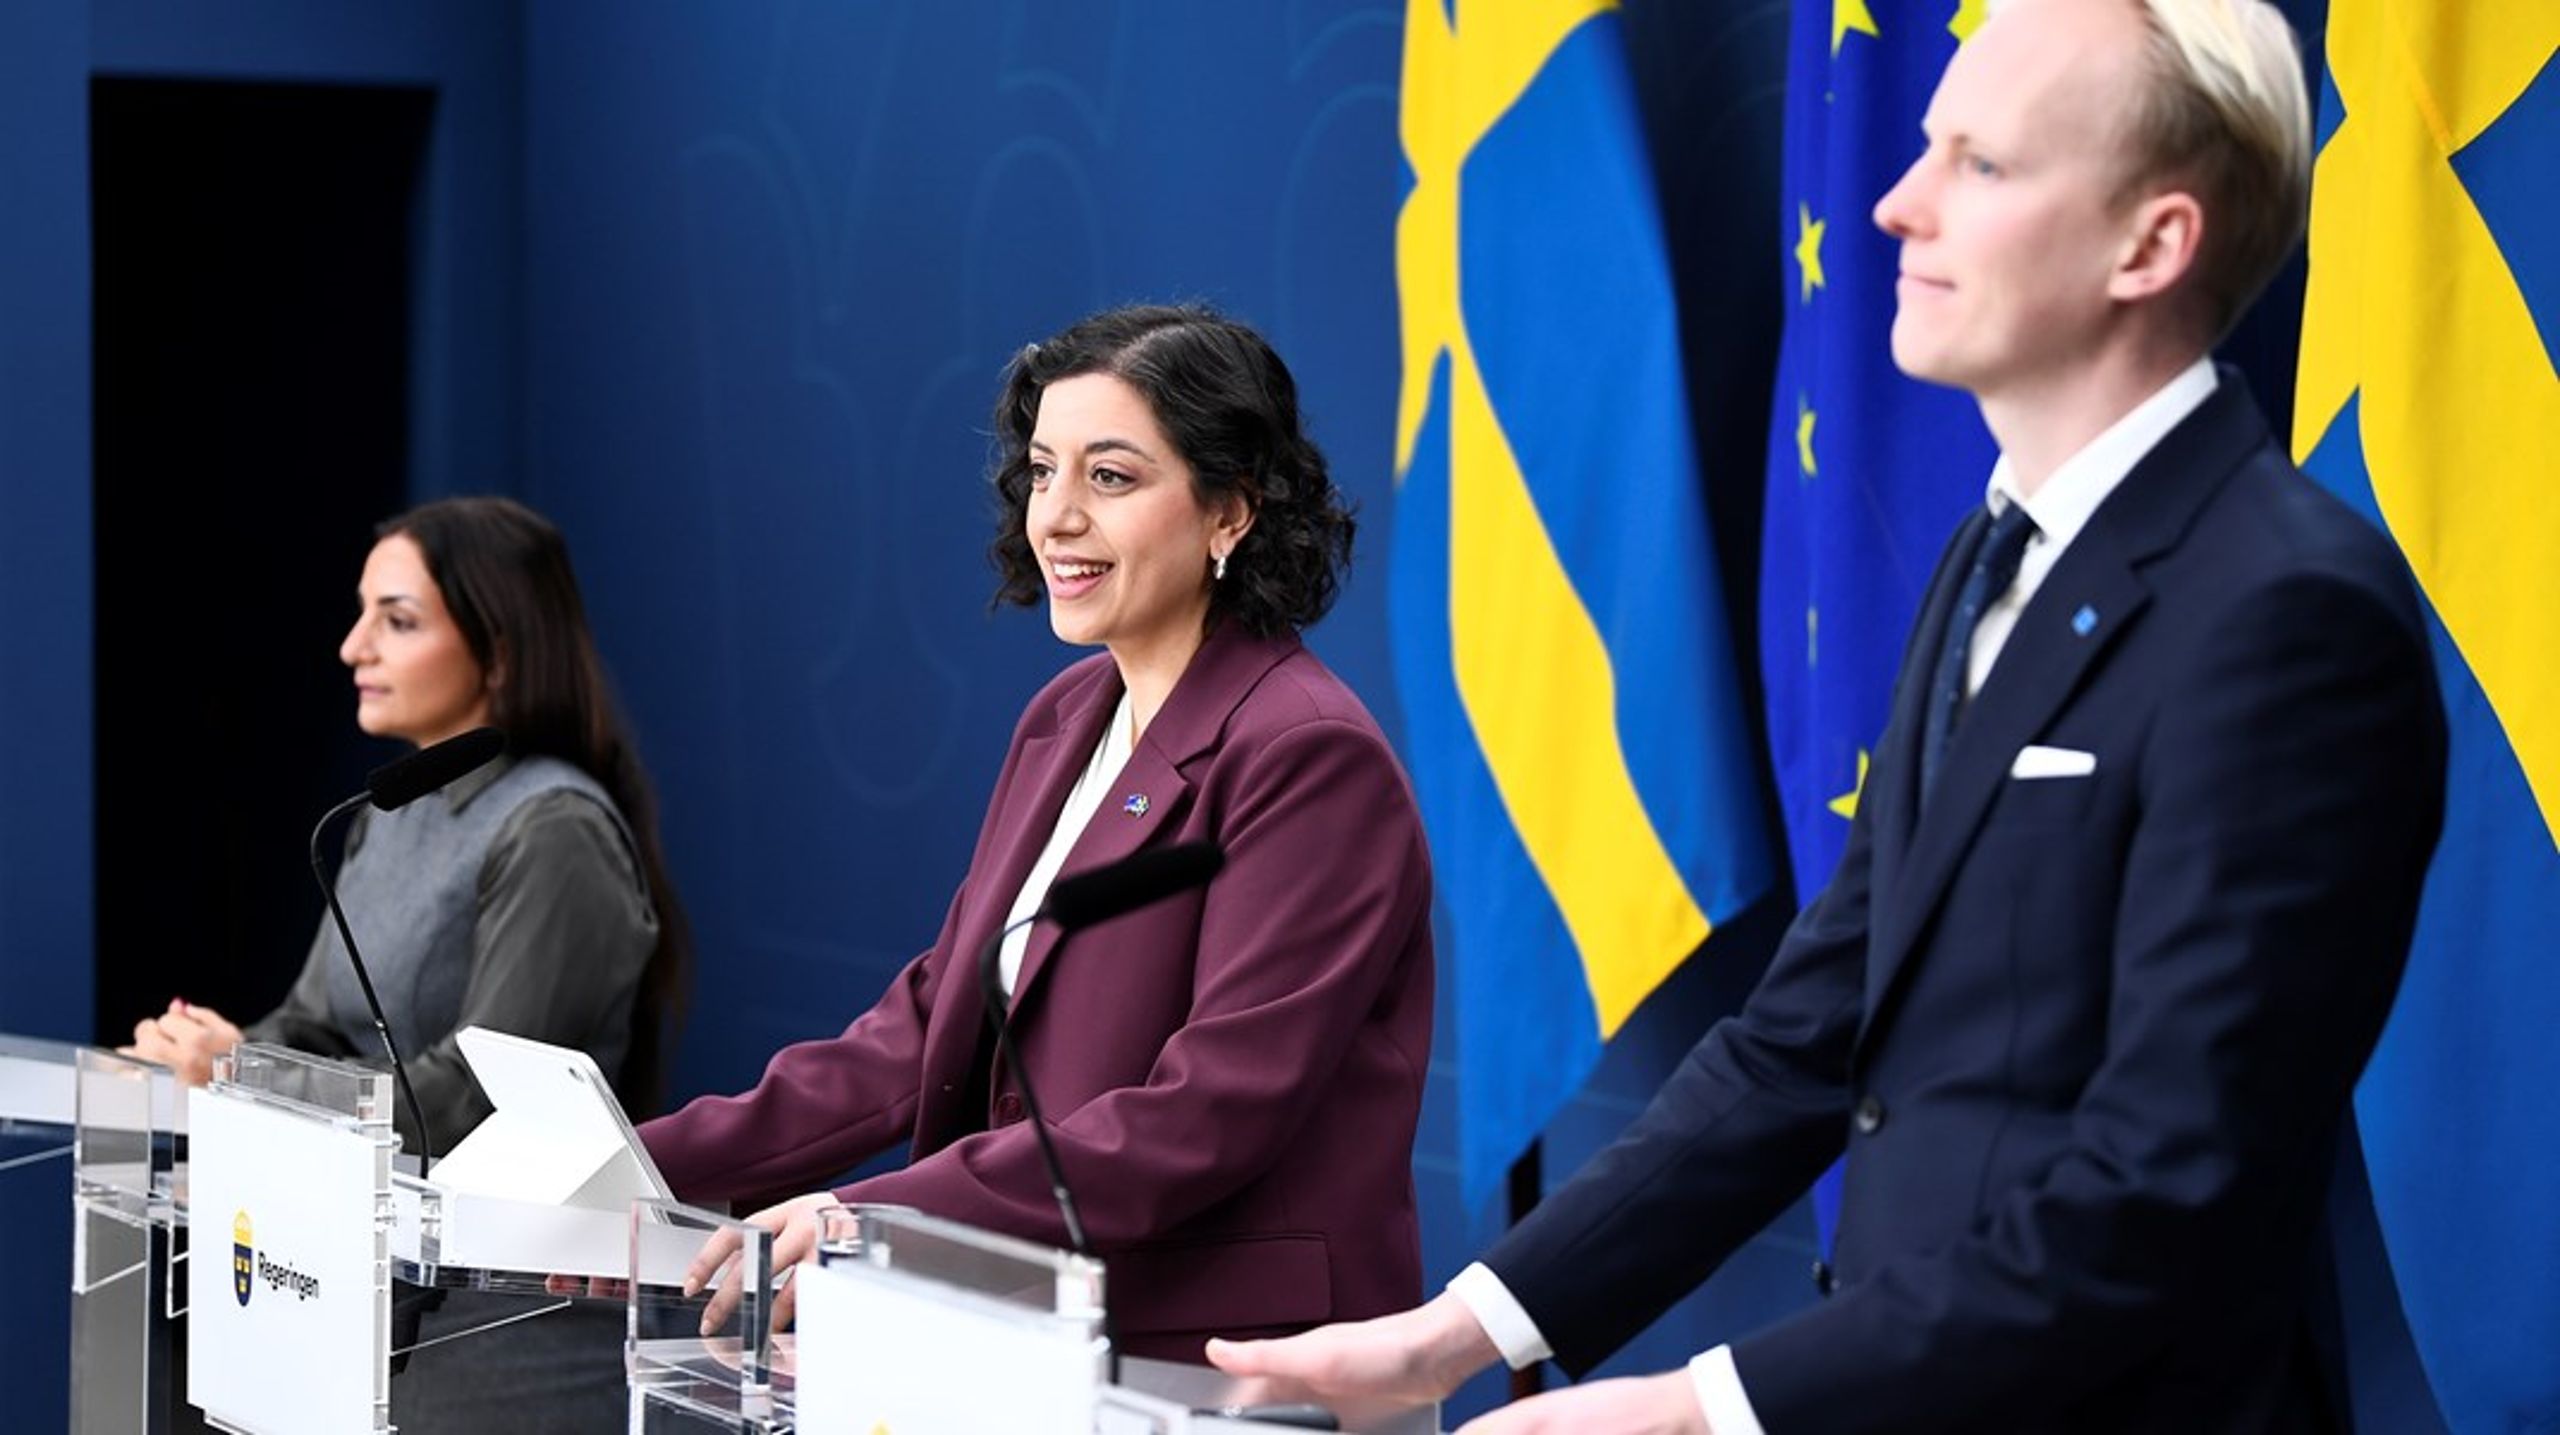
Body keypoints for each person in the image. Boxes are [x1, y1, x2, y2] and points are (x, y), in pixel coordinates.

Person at [1211, 1, 2447, 1431]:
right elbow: (1812, 1031)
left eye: (1981, 167)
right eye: (1929, 146)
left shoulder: (2293, 613)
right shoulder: (1993, 562)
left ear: (2151, 245)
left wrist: (1700, 1403)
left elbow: (2162, 1199)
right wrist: (1449, 1332)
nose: (1898, 203)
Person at [639, 303, 1436, 1363]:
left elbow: (1209, 1112)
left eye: (1109, 477)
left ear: (1230, 513)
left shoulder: (1308, 754)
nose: (1053, 516)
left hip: (1213, 1359)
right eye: (1041, 471)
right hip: (1024, 1332)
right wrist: (639, 1174)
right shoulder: (1066, 716)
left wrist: (874, 1219)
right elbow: (929, 1027)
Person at [126, 495, 692, 1432]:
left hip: (502, 1324)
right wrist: (199, 1056)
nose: (354, 647)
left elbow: (469, 1101)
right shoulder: (389, 815)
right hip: (356, 1289)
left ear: (500, 647)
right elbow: (307, 1022)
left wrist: (233, 1078)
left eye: (396, 620)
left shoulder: (556, 830)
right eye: (363, 615)